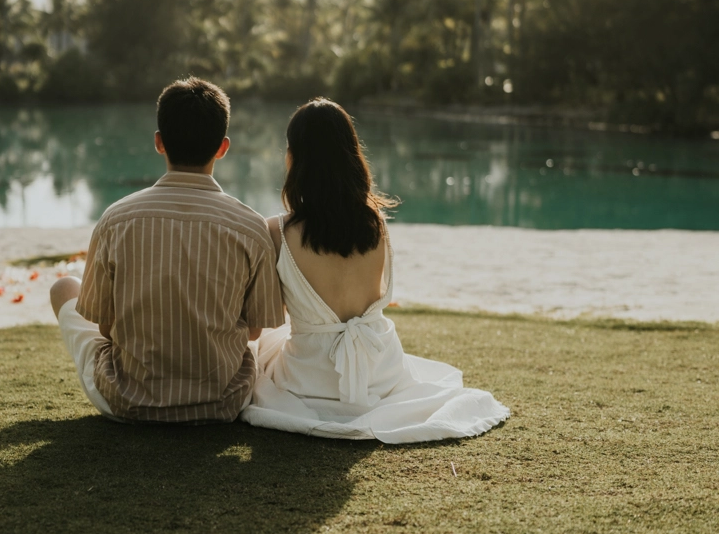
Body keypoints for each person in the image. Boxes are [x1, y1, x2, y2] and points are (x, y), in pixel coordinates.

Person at [242, 98, 509, 443]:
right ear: (351, 156)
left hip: (309, 378)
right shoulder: (377, 225)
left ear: (294, 159)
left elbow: (269, 318)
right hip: (382, 373)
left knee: (261, 347)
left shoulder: (276, 231)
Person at [51, 77, 284, 423]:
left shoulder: (116, 219)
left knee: (63, 288)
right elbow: (253, 332)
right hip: (223, 402)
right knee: (277, 332)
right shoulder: (250, 226)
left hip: (128, 402)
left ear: (159, 143)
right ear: (223, 147)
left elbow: (104, 328)